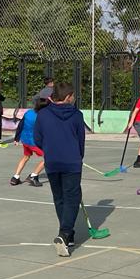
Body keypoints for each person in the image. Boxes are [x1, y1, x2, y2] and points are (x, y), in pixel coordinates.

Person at [34, 82, 86, 257]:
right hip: (72, 162)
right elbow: (80, 140)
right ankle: (64, 233)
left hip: (52, 161)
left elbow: (37, 139)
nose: (74, 98)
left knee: (60, 198)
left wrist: (50, 149)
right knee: (72, 198)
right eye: (73, 95)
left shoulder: (43, 114)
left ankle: (68, 235)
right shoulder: (77, 115)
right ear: (68, 97)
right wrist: (78, 156)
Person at [11, 97, 47, 187]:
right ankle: (33, 176)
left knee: (26, 157)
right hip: (33, 142)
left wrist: (16, 138)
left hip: (25, 140)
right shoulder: (42, 117)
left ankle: (15, 177)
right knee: (48, 158)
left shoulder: (28, 112)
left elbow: (21, 125)